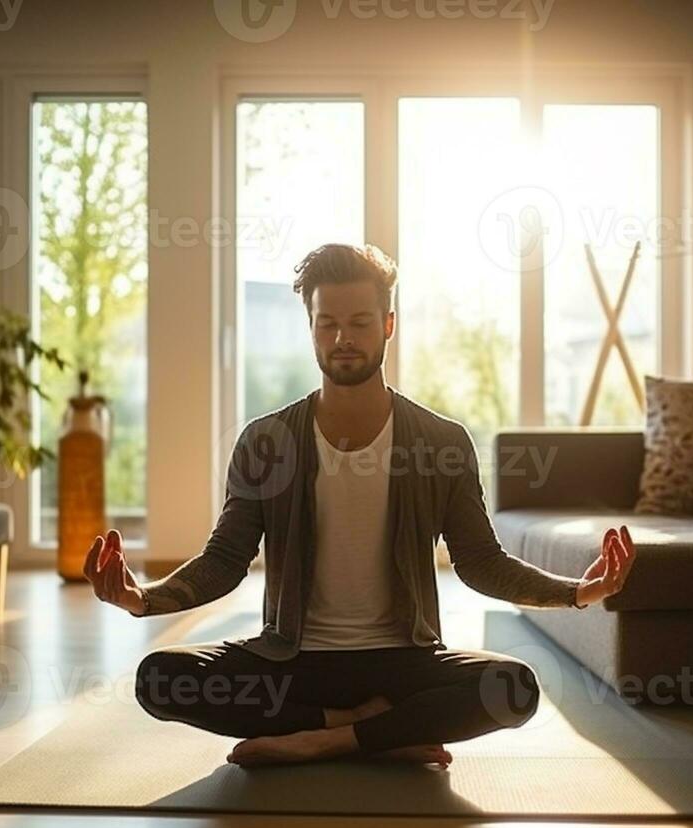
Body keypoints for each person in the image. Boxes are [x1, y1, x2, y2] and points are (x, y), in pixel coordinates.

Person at [84, 243, 636, 769]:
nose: (343, 337)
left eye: (360, 322)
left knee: (514, 688)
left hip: (404, 660)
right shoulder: (266, 441)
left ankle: (318, 742)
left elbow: (480, 561)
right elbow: (226, 559)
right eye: (328, 324)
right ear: (312, 329)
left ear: (388, 325)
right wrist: (142, 599)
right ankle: (373, 732)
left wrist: (578, 593)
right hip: (291, 662)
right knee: (160, 678)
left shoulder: (441, 442)